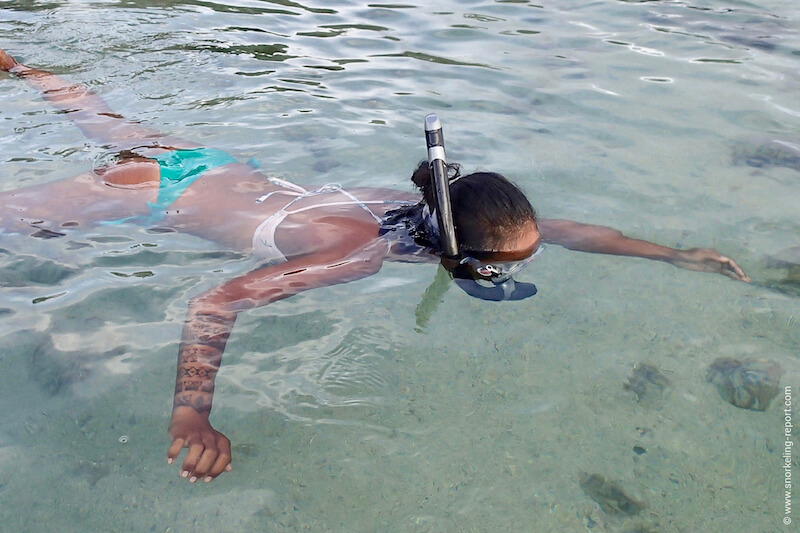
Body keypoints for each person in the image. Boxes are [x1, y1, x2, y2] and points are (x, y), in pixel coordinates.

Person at [0, 48, 750, 483]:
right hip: (149, 192)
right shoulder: (354, 258)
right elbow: (215, 303)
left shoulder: (427, 205)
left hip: (207, 166)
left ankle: (21, 65)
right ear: (458, 259)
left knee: (91, 112)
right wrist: (193, 408)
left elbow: (564, 228)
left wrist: (674, 255)